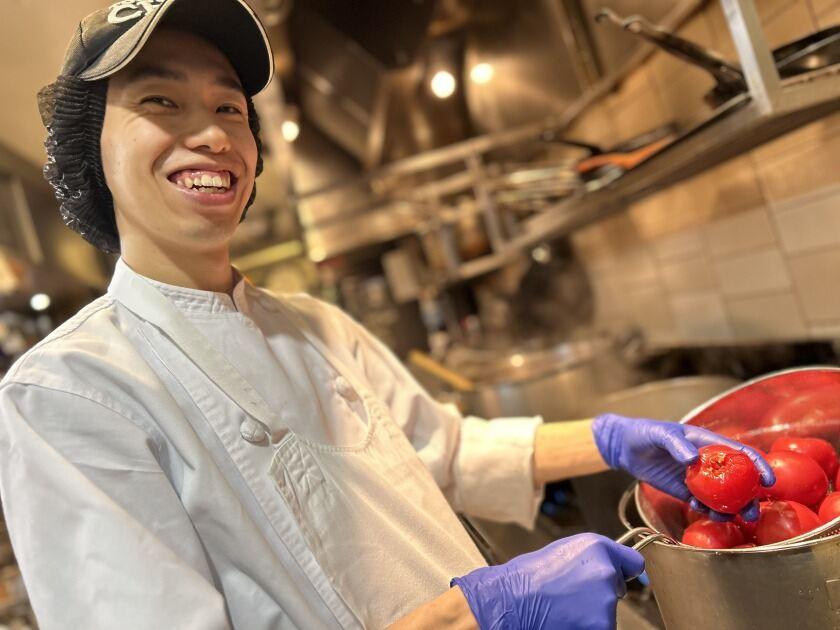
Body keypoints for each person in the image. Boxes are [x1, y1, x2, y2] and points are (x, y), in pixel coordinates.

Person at [0, 1, 774, 628]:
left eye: (229, 107)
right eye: (161, 102)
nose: (210, 134)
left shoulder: (313, 324)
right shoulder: (68, 394)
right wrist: (476, 614)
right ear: (89, 152)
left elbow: (447, 451)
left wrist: (609, 440)